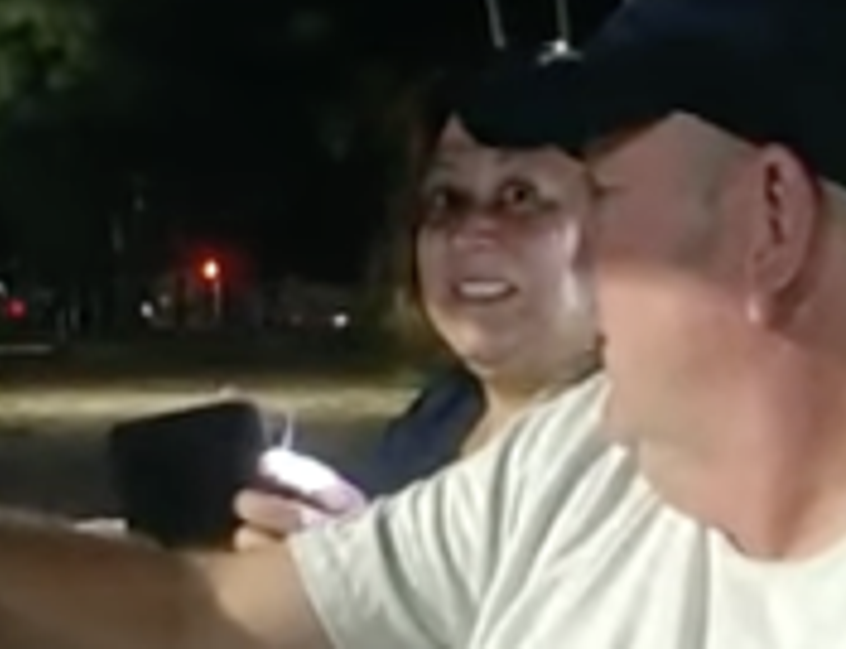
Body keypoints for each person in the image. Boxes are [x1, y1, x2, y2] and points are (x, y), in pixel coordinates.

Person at [0, 0, 846, 649]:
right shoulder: (592, 469)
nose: (580, 256)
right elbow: (199, 621)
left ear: (771, 222)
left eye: (600, 201)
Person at [234, 106, 600, 546]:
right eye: (445, 199)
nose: (468, 232)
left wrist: (359, 573)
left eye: (519, 196)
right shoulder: (440, 415)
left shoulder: (645, 461)